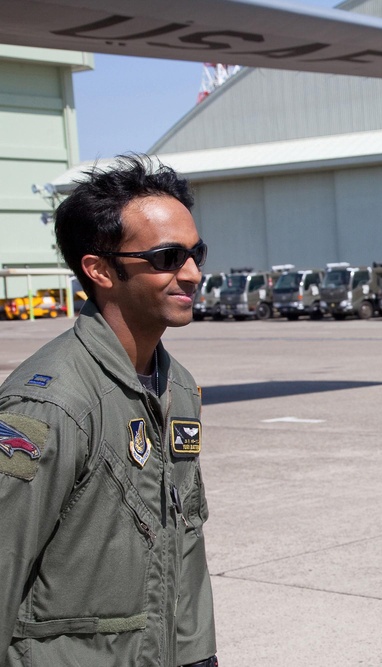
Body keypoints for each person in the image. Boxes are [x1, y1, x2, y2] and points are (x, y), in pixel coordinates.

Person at [0, 155, 219, 667]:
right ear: (99, 270)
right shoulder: (50, 404)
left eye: (196, 252)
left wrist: (196, 655)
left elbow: (181, 543)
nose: (192, 274)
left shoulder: (178, 388)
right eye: (167, 257)